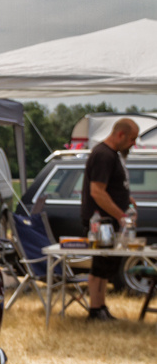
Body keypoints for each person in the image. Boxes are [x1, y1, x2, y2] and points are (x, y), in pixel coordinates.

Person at [80, 117, 138, 320]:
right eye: (132, 139)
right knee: (100, 264)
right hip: (100, 222)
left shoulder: (112, 155)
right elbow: (97, 191)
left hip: (108, 221)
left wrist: (126, 199)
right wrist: (121, 216)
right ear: (120, 134)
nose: (133, 144)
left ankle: (101, 306)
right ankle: (95, 309)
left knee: (107, 265)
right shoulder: (103, 155)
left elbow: (111, 187)